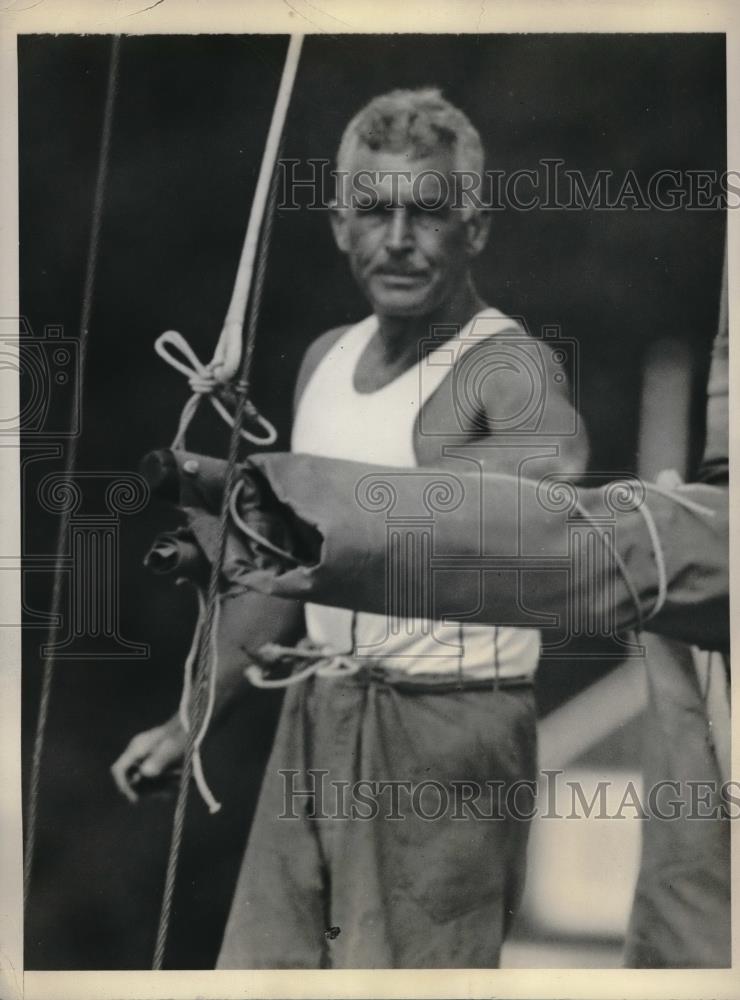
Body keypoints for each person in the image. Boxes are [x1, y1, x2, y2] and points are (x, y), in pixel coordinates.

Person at [112, 88, 587, 968]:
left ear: (475, 227)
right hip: (319, 710)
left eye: (428, 212)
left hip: (445, 729)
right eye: (374, 210)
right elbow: (278, 576)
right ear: (339, 223)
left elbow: (555, 478)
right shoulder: (328, 360)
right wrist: (191, 717)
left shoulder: (504, 365)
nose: (398, 238)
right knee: (261, 976)